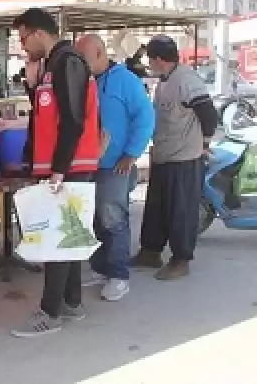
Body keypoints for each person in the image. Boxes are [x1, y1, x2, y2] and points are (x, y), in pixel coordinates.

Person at [10, 8, 100, 338]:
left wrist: (59, 169)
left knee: (56, 240)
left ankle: (50, 312)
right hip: (63, 166)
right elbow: (50, 115)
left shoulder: (68, 62)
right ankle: (72, 302)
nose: (22, 46)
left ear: (38, 33)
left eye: (23, 38)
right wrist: (33, 86)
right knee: (69, 236)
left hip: (70, 167)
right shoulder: (52, 65)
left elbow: (73, 119)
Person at [131, 35, 218, 280]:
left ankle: (181, 259)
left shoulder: (187, 80)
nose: (149, 64)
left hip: (184, 158)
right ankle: (150, 251)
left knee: (181, 210)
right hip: (163, 154)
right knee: (156, 209)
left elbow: (209, 115)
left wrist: (205, 143)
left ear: (159, 59)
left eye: (151, 59)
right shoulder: (163, 81)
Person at [76, 34, 155, 301]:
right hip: (88, 163)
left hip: (116, 164)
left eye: (83, 57)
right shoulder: (85, 82)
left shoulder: (125, 80)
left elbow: (145, 117)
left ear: (98, 52)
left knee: (113, 219)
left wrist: (131, 154)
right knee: (94, 218)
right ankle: (101, 268)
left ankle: (119, 275)